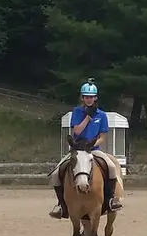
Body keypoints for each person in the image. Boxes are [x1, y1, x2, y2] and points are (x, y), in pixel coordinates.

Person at [50, 80, 121, 217]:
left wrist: (92, 144)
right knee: (55, 173)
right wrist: (88, 117)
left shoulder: (102, 115)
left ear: (95, 98)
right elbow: (76, 131)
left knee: (111, 167)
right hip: (77, 148)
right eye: (86, 97)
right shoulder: (76, 112)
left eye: (91, 97)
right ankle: (61, 205)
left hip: (94, 148)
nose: (89, 99)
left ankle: (111, 199)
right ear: (82, 98)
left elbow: (102, 137)